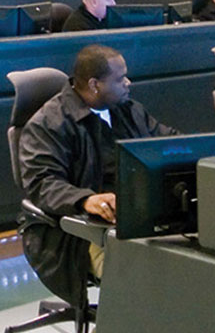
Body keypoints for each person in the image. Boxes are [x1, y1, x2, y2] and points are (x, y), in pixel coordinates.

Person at [16, 44, 180, 279]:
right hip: (82, 232)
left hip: (138, 219)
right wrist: (86, 200)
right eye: (120, 79)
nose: (128, 83)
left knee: (193, 259)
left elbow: (167, 141)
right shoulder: (48, 124)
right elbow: (43, 184)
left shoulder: (128, 110)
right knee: (157, 275)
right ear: (95, 85)